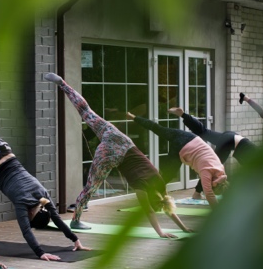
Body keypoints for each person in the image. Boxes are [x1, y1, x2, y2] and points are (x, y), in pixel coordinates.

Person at [45, 72, 193, 238]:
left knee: (87, 112)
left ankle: (63, 84)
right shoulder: (142, 189)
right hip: (111, 155)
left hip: (121, 140)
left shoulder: (160, 185)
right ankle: (76, 219)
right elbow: (151, 212)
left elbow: (166, 206)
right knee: (91, 187)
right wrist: (161, 233)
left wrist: (184, 228)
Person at [0, 112, 90, 262]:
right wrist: (41, 253)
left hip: (1, 148)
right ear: (32, 216)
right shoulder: (22, 203)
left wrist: (76, 240)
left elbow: (57, 219)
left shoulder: (43, 196)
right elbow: (26, 231)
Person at [126, 112, 229, 208]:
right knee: (168, 174)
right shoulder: (207, 171)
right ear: (214, 185)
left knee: (158, 128)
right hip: (182, 147)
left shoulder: (220, 169)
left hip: (189, 137)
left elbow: (220, 182)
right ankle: (151, 194)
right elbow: (209, 194)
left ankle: (134, 117)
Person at [167, 107, 258, 199]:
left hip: (231, 137)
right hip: (229, 142)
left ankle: (183, 114)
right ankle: (197, 193)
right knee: (210, 166)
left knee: (204, 132)